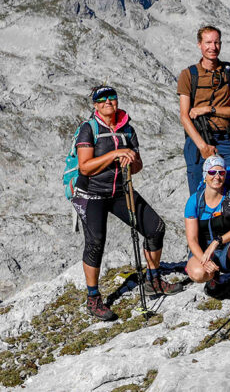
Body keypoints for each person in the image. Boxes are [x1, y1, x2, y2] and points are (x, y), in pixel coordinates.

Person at [72, 86, 183, 321]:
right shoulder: (88, 128)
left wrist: (130, 161)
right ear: (95, 105)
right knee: (95, 242)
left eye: (111, 97)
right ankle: (93, 299)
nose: (107, 102)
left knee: (155, 228)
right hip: (91, 193)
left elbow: (138, 164)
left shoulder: (127, 129)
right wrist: (115, 154)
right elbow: (85, 167)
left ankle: (153, 280)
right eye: (101, 99)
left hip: (121, 190)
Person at [177, 26, 230, 215]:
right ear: (199, 45)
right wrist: (202, 146)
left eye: (216, 42)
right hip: (196, 140)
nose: (213, 47)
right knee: (198, 195)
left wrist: (208, 109)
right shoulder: (188, 75)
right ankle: (198, 242)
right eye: (208, 42)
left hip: (223, 139)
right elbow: (184, 116)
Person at [184, 156, 230, 309]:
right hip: (204, 250)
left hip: (227, 247)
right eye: (212, 172)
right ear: (205, 175)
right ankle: (212, 278)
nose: (217, 176)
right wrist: (204, 259)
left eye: (221, 173)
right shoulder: (194, 201)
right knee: (197, 272)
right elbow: (192, 239)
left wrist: (216, 242)